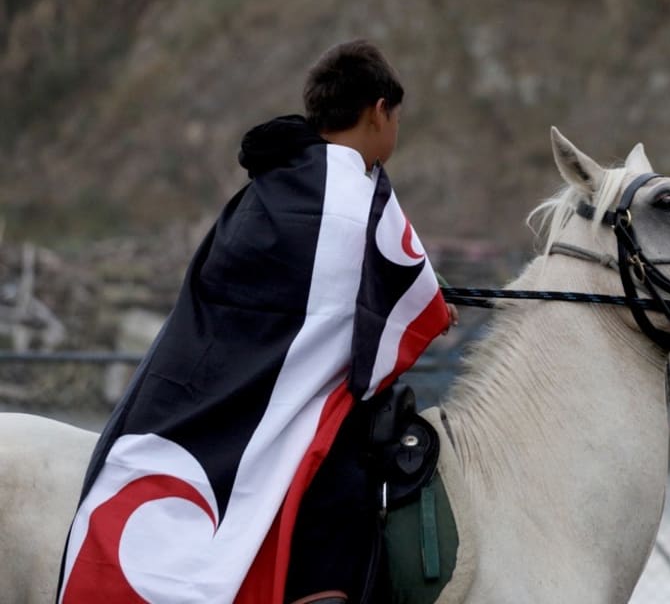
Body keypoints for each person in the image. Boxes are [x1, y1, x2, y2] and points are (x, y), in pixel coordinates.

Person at [58, 40, 456, 604]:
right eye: (397, 118)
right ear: (378, 110)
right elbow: (408, 300)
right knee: (343, 485)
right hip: (280, 406)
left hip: (207, 399)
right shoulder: (357, 194)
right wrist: (436, 311)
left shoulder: (267, 187)